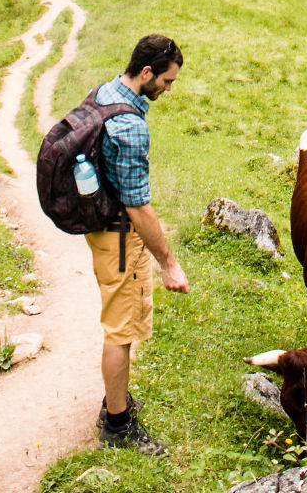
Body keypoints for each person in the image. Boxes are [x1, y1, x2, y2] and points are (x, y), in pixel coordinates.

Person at [88, 34, 190, 453]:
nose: (169, 89)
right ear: (147, 72)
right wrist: (168, 262)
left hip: (100, 226)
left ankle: (117, 399)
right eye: (166, 81)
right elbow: (139, 208)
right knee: (121, 330)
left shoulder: (106, 91)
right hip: (119, 236)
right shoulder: (130, 126)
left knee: (120, 320)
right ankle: (116, 424)